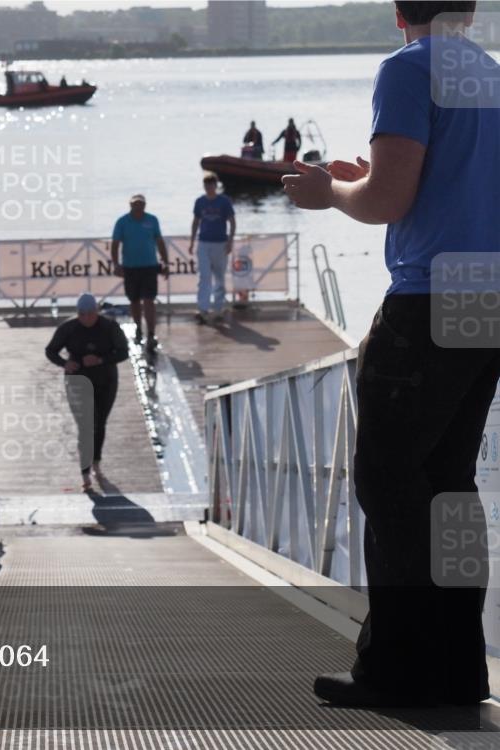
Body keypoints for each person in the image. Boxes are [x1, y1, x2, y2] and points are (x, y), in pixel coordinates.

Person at [282, 0, 500, 708]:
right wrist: (364, 185)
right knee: (451, 489)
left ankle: (397, 671)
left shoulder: (408, 69)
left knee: (390, 482)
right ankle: (461, 670)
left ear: (398, 12)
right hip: (485, 296)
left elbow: (384, 200)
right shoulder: (489, 74)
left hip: (427, 299)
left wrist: (329, 191)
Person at [45, 294, 130, 491]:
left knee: (99, 423)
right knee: (85, 425)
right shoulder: (69, 328)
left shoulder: (109, 327)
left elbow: (123, 351)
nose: (86, 319)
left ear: (97, 312)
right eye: (82, 315)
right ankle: (85, 472)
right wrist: (65, 363)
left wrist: (101, 360)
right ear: (78, 314)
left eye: (90, 314)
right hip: (78, 379)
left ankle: (96, 462)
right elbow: (51, 351)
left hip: (105, 380)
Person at [111, 194, 169, 350]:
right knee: (134, 301)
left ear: (145, 205)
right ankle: (137, 327)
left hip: (149, 266)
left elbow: (160, 241)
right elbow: (115, 244)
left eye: (141, 204)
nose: (138, 207)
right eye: (135, 204)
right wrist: (116, 264)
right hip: (130, 267)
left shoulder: (152, 220)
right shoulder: (122, 222)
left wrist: (165, 261)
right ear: (130, 205)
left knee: (149, 300)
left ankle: (151, 333)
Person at [188, 173, 236, 324]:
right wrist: (191, 241)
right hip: (203, 242)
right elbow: (196, 222)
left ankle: (218, 308)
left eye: (211, 184)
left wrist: (230, 241)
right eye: (206, 185)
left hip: (220, 243)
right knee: (204, 276)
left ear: (216, 185)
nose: (209, 187)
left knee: (219, 277)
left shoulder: (224, 201)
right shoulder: (199, 202)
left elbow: (232, 222)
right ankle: (203, 309)